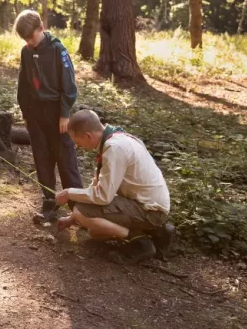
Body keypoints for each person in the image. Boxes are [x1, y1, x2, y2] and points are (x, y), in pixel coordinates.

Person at [56, 109, 175, 264]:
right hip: (148, 204)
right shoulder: (115, 138)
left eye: (77, 142)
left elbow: (103, 196)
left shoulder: (115, 148)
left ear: (88, 136)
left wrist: (69, 194)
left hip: (151, 210)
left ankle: (139, 243)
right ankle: (158, 232)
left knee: (81, 211)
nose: (78, 146)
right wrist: (72, 219)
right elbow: (99, 185)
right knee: (95, 232)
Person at [15, 9, 83, 224]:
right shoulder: (26, 52)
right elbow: (23, 84)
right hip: (36, 112)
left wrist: (64, 113)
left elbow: (69, 85)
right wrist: (26, 112)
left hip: (56, 112)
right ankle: (49, 206)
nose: (29, 42)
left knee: (65, 160)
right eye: (25, 39)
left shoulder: (57, 49)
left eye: (31, 37)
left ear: (41, 28)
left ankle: (78, 210)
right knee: (42, 159)